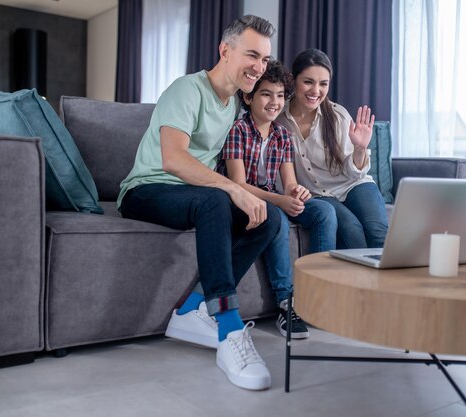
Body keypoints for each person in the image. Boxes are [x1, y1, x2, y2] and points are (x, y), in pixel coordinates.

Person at [118, 15, 279, 391]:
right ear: (226, 50)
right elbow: (172, 159)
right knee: (216, 202)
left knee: (268, 218)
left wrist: (250, 192)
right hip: (147, 190)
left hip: (191, 196)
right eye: (252, 55)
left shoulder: (235, 106)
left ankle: (192, 308)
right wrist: (233, 190)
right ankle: (228, 329)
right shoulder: (187, 90)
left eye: (265, 59)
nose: (259, 67)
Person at [217, 60, 337, 339]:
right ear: (248, 97)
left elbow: (290, 182)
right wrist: (281, 202)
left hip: (273, 196)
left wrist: (296, 193)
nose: (275, 102)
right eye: (266, 94)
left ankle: (318, 295)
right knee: (278, 216)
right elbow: (238, 184)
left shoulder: (282, 135)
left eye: (281, 95)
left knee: (324, 212)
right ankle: (286, 302)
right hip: (244, 200)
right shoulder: (238, 131)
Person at [276, 48, 389, 249]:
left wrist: (360, 148)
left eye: (323, 84)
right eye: (308, 82)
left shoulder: (338, 116)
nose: (316, 91)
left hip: (354, 185)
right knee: (352, 233)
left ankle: (389, 282)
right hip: (319, 195)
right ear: (294, 80)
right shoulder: (278, 118)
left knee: (378, 234)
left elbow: (352, 173)